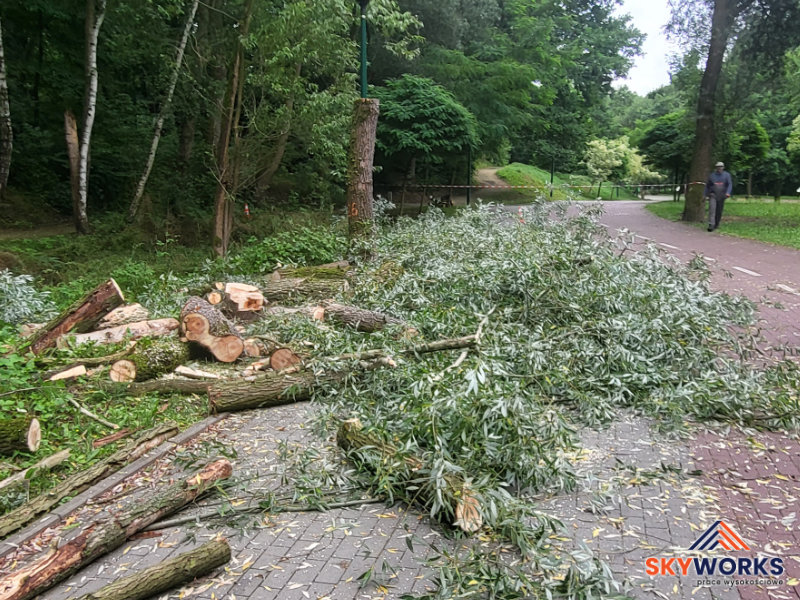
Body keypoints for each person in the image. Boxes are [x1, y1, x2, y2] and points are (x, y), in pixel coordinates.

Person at [704, 161, 732, 231]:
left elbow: (729, 184)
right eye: (718, 167)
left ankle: (716, 224)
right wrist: (705, 195)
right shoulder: (712, 175)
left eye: (721, 167)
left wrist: (728, 192)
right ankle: (711, 224)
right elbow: (707, 186)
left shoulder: (727, 175)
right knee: (712, 209)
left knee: (719, 211)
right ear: (716, 168)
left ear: (723, 167)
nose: (719, 168)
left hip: (722, 195)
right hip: (713, 195)